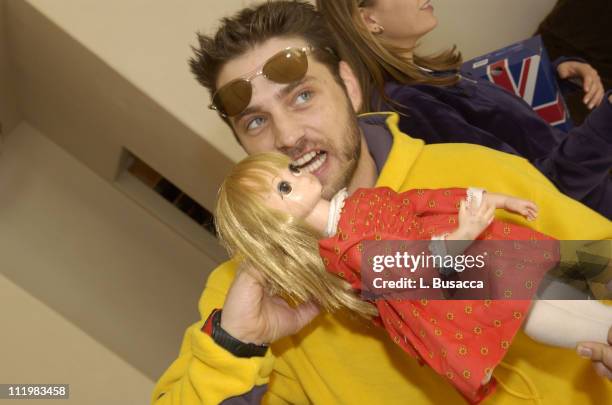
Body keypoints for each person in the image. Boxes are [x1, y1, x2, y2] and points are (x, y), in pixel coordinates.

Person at [152, 2, 612, 404]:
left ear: (350, 87)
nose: (288, 137)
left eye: (304, 96)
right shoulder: (252, 294)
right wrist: (238, 345)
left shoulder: (470, 171)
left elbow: (599, 269)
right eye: (255, 123)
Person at [214, 151, 612, 404]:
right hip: (474, 289)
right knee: (547, 316)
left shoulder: (358, 204)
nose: (298, 176)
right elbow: (417, 271)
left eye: (290, 169)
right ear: (276, 222)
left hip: (494, 259)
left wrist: (495, 200)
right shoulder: (347, 251)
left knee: (570, 290)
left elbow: (425, 202)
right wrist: (463, 234)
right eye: (284, 187)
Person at [316, 0, 612, 219]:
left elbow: (504, 123)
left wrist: (556, 76)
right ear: (368, 19)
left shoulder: (427, 75)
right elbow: (533, 195)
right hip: (585, 227)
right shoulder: (410, 107)